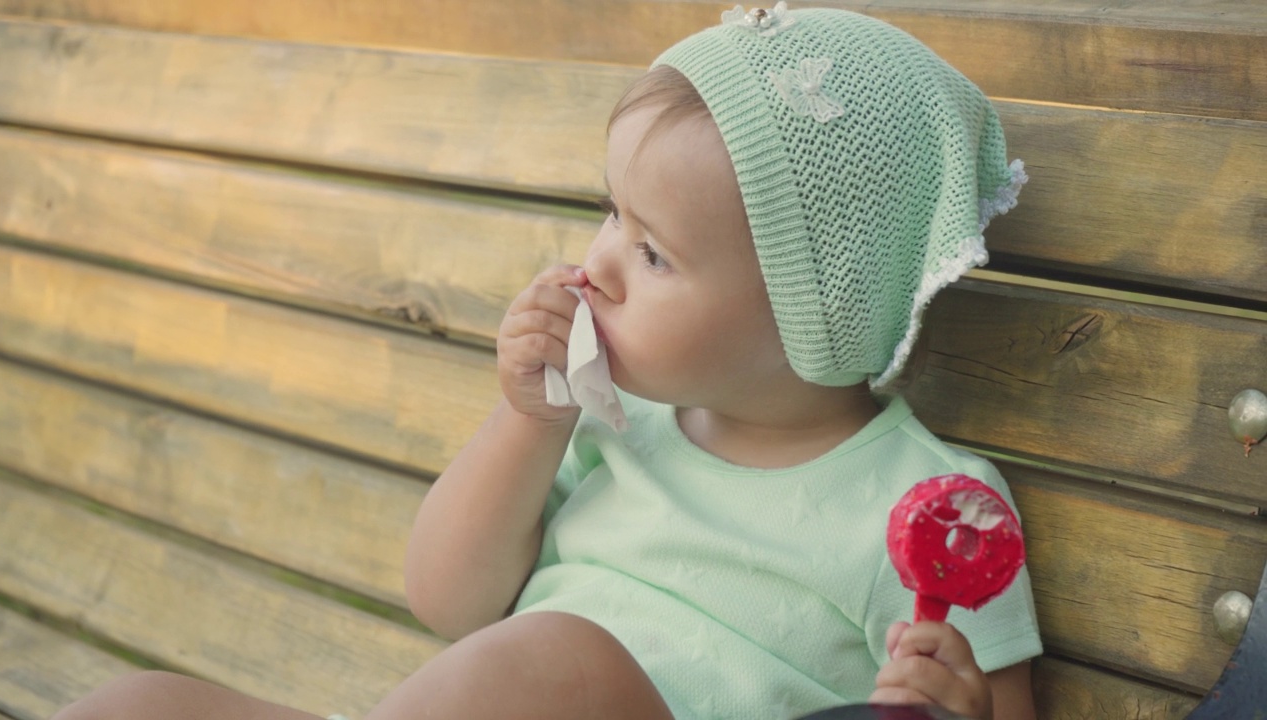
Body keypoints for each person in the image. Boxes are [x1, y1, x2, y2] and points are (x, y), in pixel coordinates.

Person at [52, 5, 1040, 720]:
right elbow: (447, 602)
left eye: (652, 252)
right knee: (134, 708)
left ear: (814, 315)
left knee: (549, 662)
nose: (597, 261)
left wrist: (949, 706)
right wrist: (531, 423)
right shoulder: (618, 420)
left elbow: (988, 701)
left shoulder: (933, 509)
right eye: (610, 211)